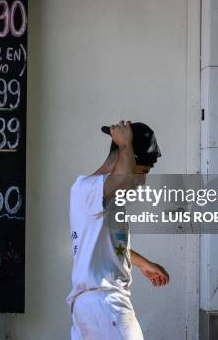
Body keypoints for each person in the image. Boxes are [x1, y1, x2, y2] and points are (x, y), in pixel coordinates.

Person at [67, 120, 170, 340]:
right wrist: (125, 144)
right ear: (127, 160)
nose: (142, 181)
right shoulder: (86, 188)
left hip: (91, 305)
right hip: (106, 301)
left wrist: (144, 264)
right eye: (141, 171)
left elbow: (110, 246)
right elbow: (122, 177)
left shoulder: (105, 199)